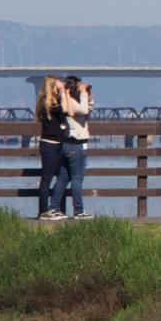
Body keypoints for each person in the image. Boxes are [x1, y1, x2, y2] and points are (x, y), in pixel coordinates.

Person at [49, 76, 93, 220]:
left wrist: (87, 94)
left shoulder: (67, 101)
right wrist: (84, 93)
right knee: (77, 178)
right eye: (79, 86)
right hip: (75, 144)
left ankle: (54, 208)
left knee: (63, 178)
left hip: (67, 145)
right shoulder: (71, 101)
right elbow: (84, 110)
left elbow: (88, 108)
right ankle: (78, 211)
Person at [33, 75, 68, 220]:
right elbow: (65, 109)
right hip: (49, 145)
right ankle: (43, 211)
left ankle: (57, 208)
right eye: (57, 84)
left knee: (61, 176)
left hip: (59, 144)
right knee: (47, 178)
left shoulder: (53, 102)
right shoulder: (46, 103)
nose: (60, 86)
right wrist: (62, 91)